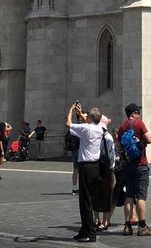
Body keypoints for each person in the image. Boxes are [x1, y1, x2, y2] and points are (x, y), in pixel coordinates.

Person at [67, 101, 106, 242]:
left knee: (85, 201)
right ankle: (84, 230)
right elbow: (89, 122)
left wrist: (71, 111)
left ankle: (90, 233)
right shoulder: (99, 128)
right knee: (86, 200)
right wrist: (81, 111)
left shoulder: (87, 129)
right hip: (95, 167)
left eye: (87, 115)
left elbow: (68, 124)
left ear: (90, 118)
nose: (85, 116)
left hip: (86, 167)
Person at [117, 102, 151, 236]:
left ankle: (127, 226)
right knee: (141, 197)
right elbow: (149, 140)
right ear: (133, 113)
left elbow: (119, 147)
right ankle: (142, 226)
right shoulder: (139, 124)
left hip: (128, 165)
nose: (139, 114)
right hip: (140, 164)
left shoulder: (122, 127)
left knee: (129, 196)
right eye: (138, 112)